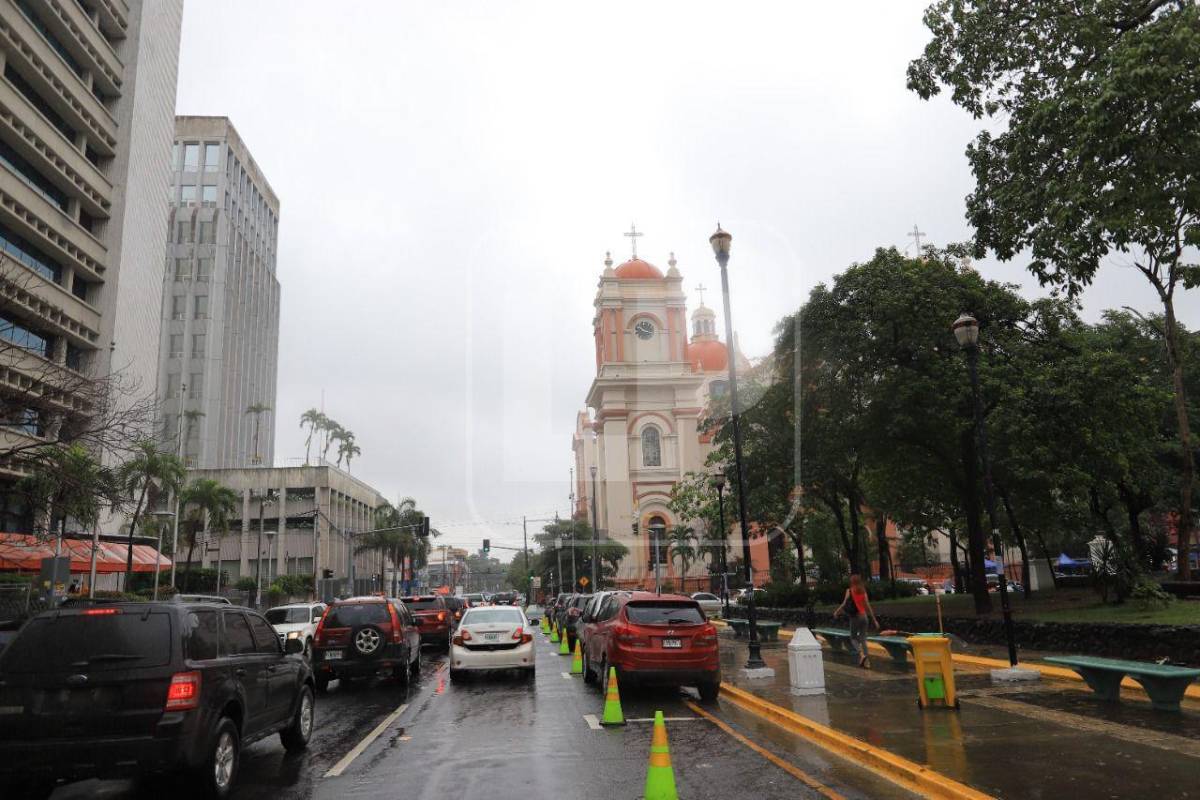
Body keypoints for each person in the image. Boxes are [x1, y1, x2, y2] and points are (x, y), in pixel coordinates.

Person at [833, 574, 880, 668]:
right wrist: (875, 620)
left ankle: (862, 655)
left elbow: (844, 604)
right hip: (864, 617)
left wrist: (837, 612)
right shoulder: (863, 591)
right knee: (863, 639)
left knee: (853, 638)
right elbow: (868, 606)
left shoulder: (849, 591)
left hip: (855, 617)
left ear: (852, 582)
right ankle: (867, 663)